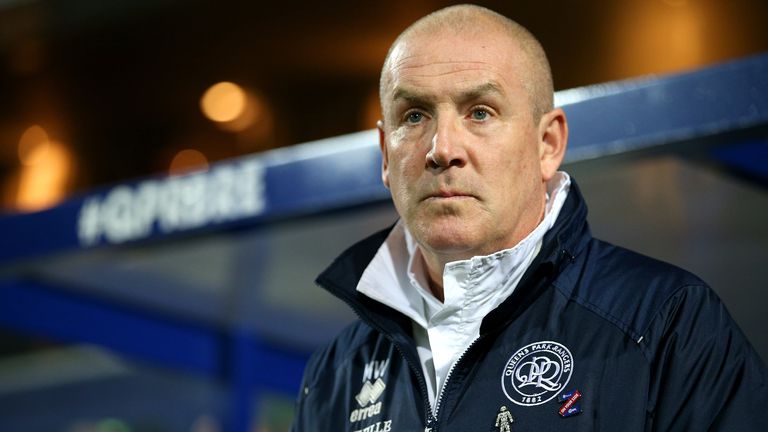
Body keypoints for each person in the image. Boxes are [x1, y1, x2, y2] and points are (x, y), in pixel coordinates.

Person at [291, 4, 767, 431]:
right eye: (414, 116)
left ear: (548, 145)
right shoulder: (336, 373)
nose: (441, 149)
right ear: (385, 155)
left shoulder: (669, 325)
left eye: (479, 112)